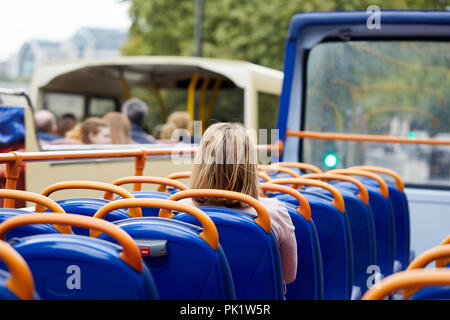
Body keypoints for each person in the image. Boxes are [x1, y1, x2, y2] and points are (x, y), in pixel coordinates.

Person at [178, 122, 297, 285]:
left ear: (201, 165)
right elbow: (288, 275)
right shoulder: (273, 212)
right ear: (249, 165)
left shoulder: (180, 208)